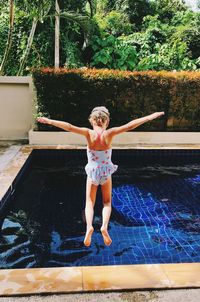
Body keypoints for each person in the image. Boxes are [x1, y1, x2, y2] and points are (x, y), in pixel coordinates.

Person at [37, 107, 164, 247]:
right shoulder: (109, 134)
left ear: (91, 121)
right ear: (107, 122)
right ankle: (104, 226)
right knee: (107, 202)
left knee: (89, 202)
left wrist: (49, 121)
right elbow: (130, 125)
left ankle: (89, 227)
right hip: (105, 173)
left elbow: (69, 127)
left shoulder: (88, 133)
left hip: (92, 173)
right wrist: (151, 116)